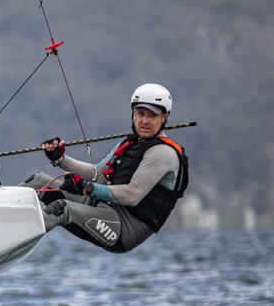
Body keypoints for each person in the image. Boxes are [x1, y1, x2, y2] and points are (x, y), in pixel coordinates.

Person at [22, 83, 189, 253]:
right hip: (103, 205)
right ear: (133, 114)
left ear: (165, 117)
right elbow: (96, 173)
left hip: (123, 227)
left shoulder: (163, 153)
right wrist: (60, 158)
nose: (145, 121)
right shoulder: (130, 143)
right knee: (38, 181)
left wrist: (87, 188)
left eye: (152, 115)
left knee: (62, 209)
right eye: (140, 114)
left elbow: (132, 195)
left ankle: (13, 238)